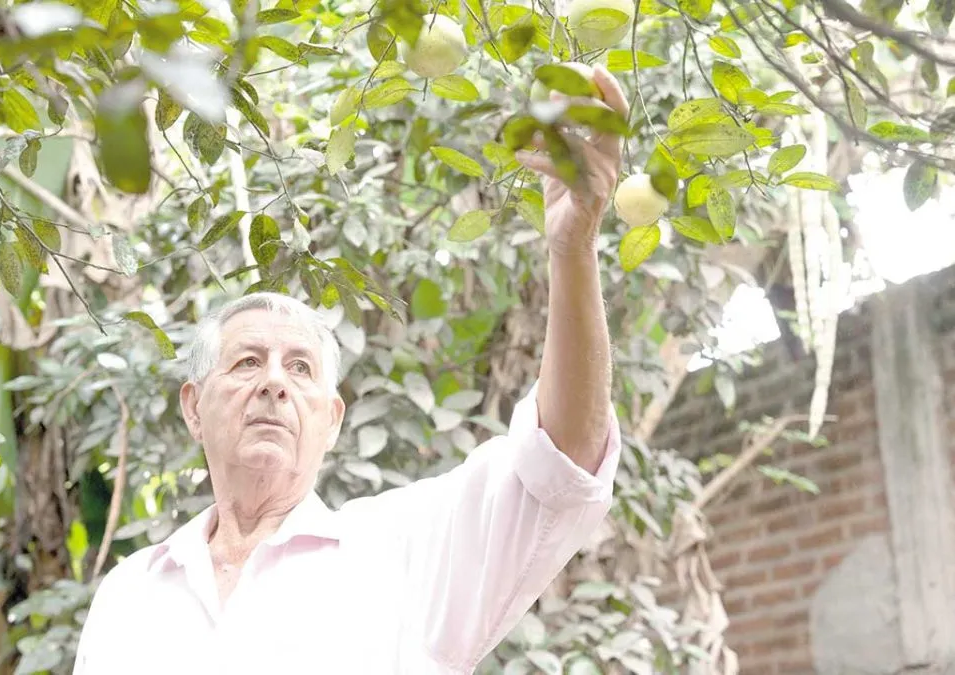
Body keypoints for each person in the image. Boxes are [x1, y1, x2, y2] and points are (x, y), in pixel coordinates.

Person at [72, 64, 629, 674]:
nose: (274, 383)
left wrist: (573, 247)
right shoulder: (129, 595)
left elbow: (559, 465)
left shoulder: (403, 550)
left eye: (300, 368)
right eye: (247, 361)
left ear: (333, 420)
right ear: (193, 408)